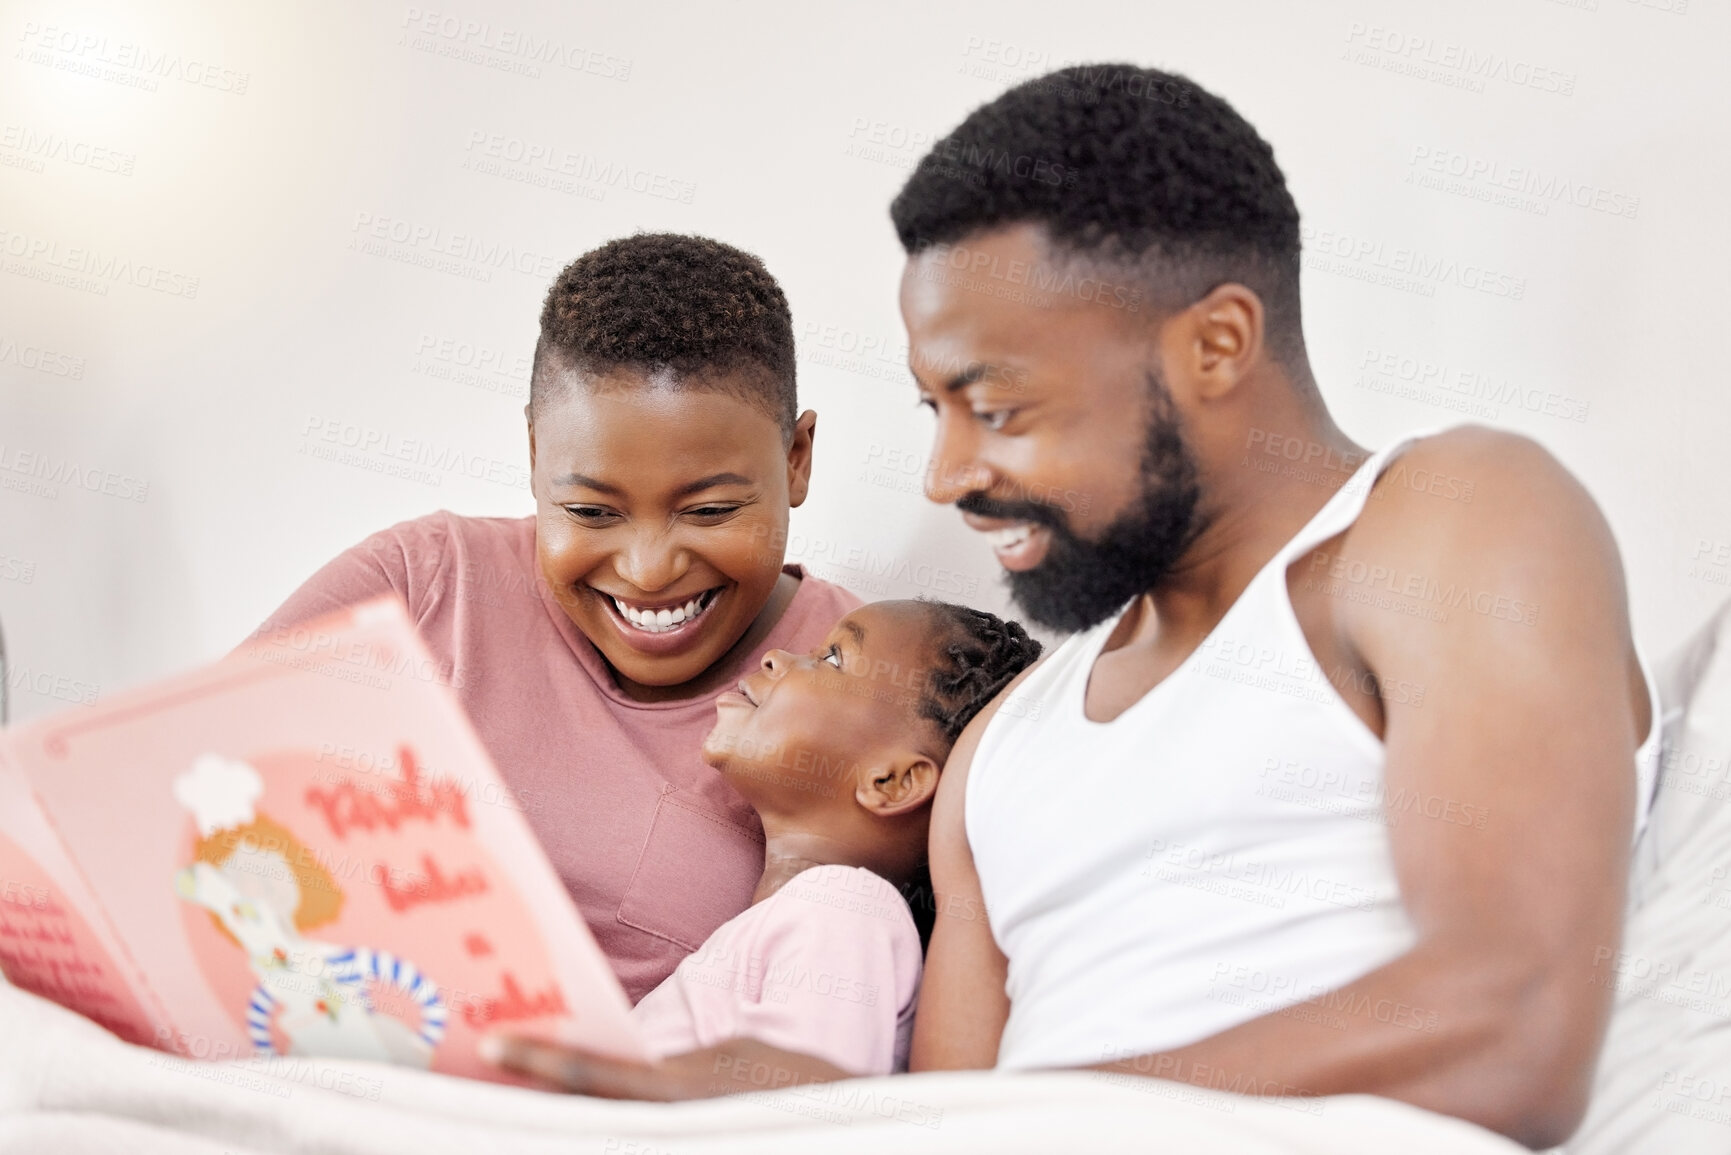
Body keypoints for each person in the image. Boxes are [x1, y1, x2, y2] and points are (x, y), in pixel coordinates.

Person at [494, 65, 1660, 1151]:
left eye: (996, 407)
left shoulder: (1446, 520)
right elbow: (938, 1124)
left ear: (1216, 346)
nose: (946, 476)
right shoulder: (1002, 747)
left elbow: (1511, 1022)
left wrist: (1031, 1121)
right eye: (932, 411)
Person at [257, 234, 860, 1003]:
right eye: (589, 510)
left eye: (709, 509)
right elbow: (182, 796)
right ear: (536, 452)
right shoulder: (419, 589)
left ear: (798, 458)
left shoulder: (873, 681)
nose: (647, 569)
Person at [627, 599, 1040, 1076]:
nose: (775, 657)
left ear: (891, 781)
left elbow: (806, 1097)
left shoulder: (847, 907)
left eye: (832, 659)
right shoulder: (794, 919)